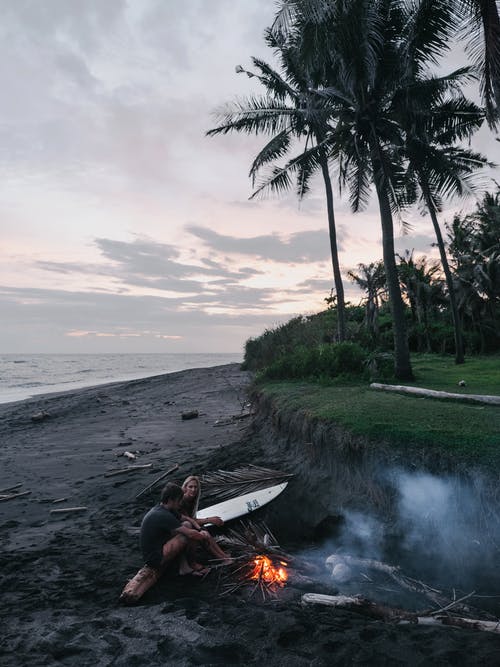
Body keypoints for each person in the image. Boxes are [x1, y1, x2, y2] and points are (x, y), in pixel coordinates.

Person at [140, 482, 212, 576]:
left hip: (160, 546)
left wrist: (199, 529)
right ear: (171, 500)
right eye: (179, 500)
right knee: (187, 536)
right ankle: (192, 564)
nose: (180, 503)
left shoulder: (165, 509)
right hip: (154, 558)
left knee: (187, 524)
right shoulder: (163, 515)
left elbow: (186, 519)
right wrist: (203, 536)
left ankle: (184, 567)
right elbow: (190, 534)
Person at [180, 475, 231, 563]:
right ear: (185, 488)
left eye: (195, 487)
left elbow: (192, 519)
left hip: (188, 525)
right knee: (204, 535)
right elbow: (188, 520)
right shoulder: (182, 501)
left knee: (206, 532)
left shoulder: (192, 500)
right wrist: (209, 520)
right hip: (180, 528)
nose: (193, 489)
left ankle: (223, 555)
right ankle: (222, 558)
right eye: (190, 487)